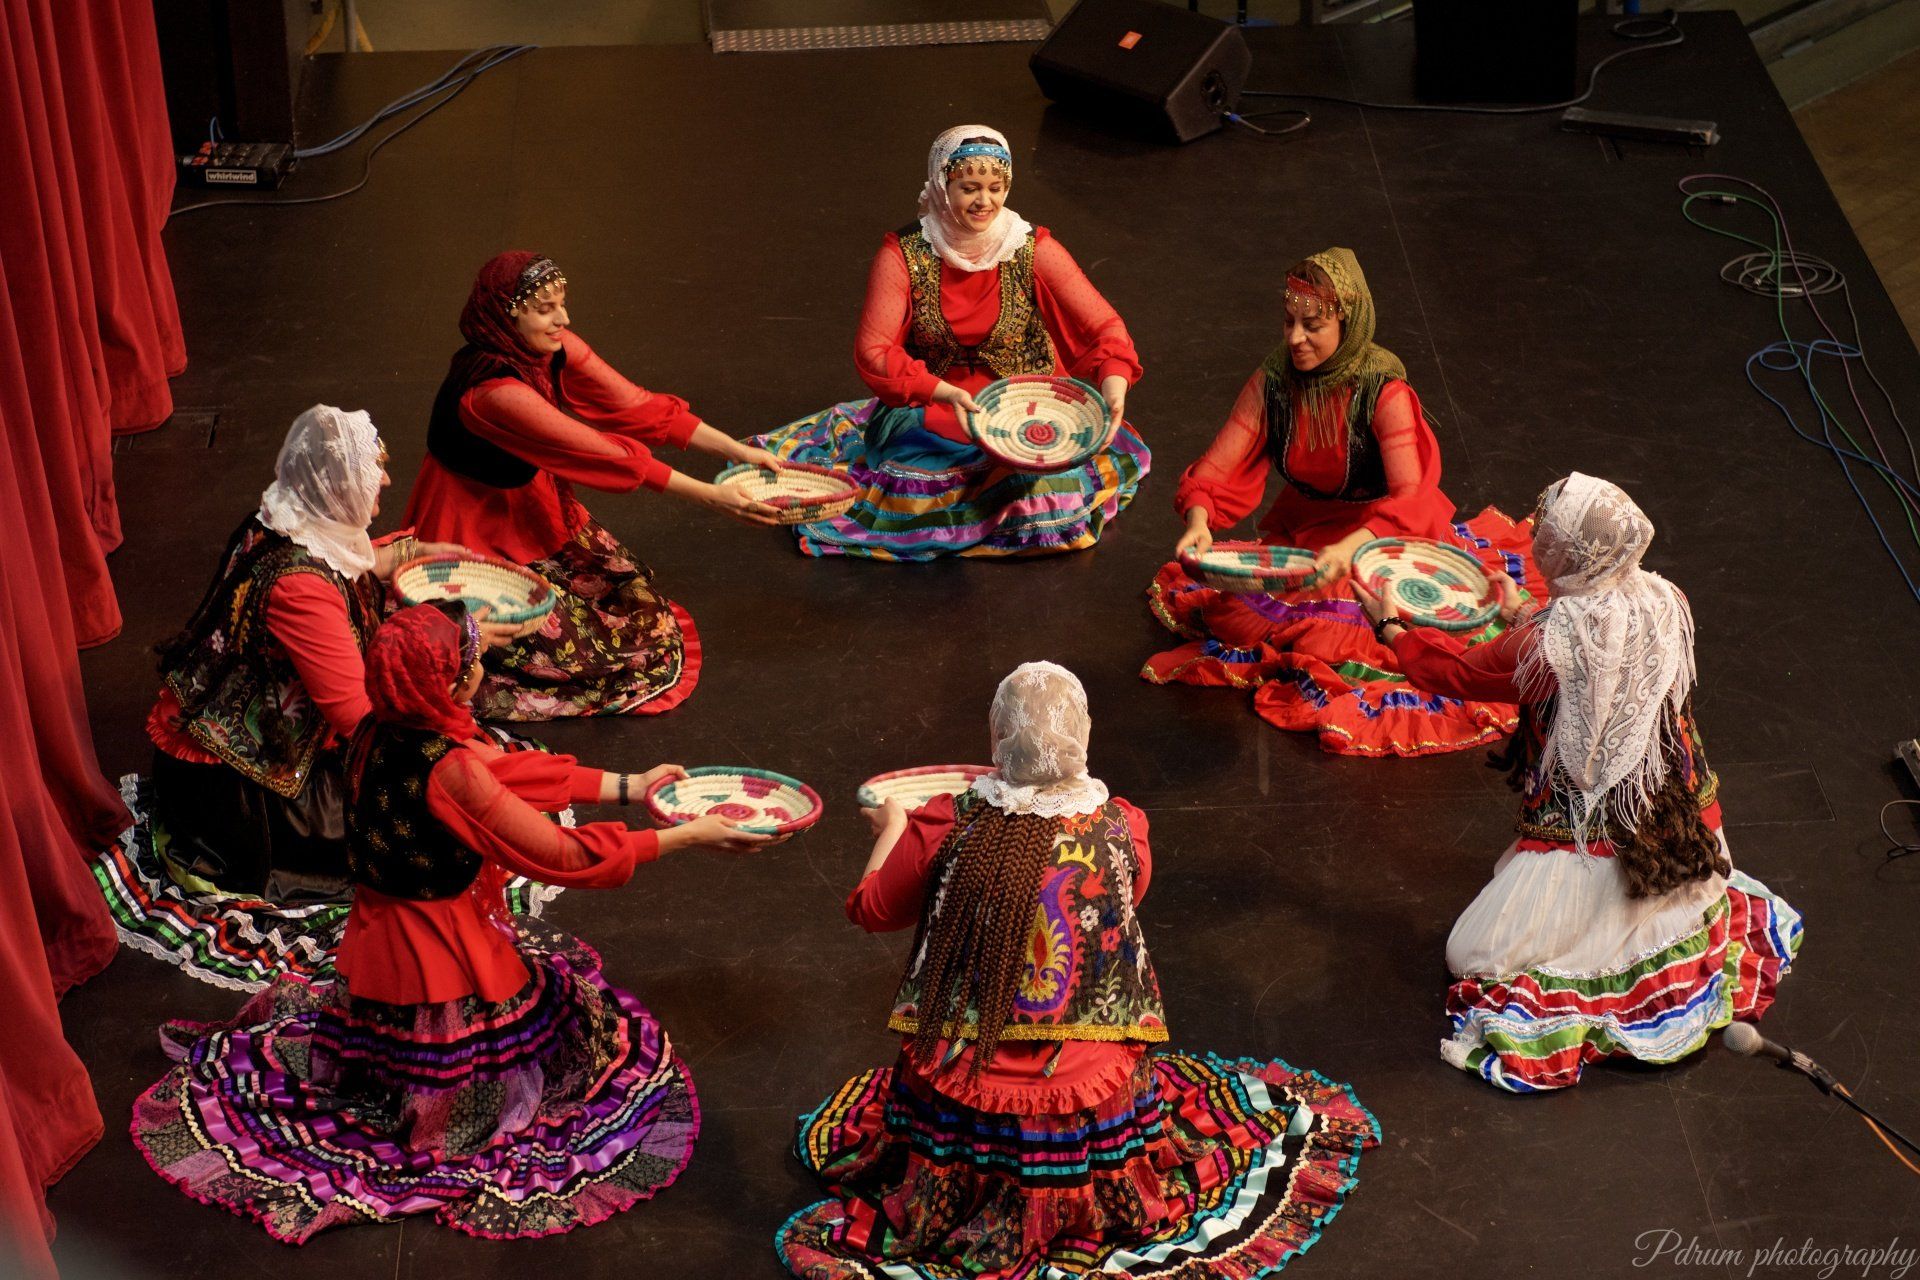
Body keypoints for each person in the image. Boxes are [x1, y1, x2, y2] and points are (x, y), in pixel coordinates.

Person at [131, 603, 775, 1241]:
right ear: (451, 682)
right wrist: (685, 837)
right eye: (471, 665)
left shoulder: (374, 732)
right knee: (501, 1065)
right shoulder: (449, 766)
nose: (478, 674)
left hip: (376, 947)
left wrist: (629, 786)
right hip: (447, 950)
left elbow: (501, 771)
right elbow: (558, 853)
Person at [778, 662, 1378, 1278]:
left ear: (995, 742)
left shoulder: (944, 821)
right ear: (1082, 739)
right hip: (1086, 1082)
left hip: (969, 1078)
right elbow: (1125, 902)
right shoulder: (1124, 825)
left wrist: (893, 829)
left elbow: (870, 909)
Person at [1356, 473, 1802, 1093]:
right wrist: (1522, 609)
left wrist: (1392, 629)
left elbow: (1454, 671)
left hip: (1593, 833)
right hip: (1681, 816)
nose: (1537, 537)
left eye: (1547, 536)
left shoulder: (1545, 643)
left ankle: (1600, 936)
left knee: (1474, 954)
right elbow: (1593, 637)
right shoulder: (1664, 598)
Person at [94, 404, 546, 991]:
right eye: (373, 471)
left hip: (264, 739)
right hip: (247, 789)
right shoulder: (300, 587)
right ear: (334, 487)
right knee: (418, 814)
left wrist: (406, 559)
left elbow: (356, 562)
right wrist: (460, 640)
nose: (386, 480)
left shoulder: (290, 518)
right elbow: (358, 717)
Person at [1141, 247, 1541, 757]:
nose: (1294, 339)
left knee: (1381, 636)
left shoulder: (1382, 388)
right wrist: (1199, 519)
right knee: (1232, 616)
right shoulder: (1274, 379)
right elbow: (1221, 462)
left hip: (1386, 538)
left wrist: (1352, 548)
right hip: (1309, 534)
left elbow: (1412, 496)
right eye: (1288, 322)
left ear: (1347, 324)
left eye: (1311, 327)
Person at [404, 250, 785, 720]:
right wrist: (710, 496)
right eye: (545, 309)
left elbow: (634, 406)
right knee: (562, 651)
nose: (563, 318)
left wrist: (734, 449)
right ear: (509, 314)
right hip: (468, 522)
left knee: (633, 605)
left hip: (526, 498)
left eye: (562, 304)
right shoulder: (493, 393)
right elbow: (605, 454)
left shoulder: (547, 348)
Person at [752, 125, 1151, 560]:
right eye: (969, 188)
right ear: (943, 186)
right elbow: (875, 350)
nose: (985, 202)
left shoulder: (1030, 247)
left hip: (1023, 410)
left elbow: (1103, 325)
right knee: (917, 488)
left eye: (995, 188)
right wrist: (937, 391)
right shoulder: (903, 255)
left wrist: (1113, 383)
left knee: (1040, 495)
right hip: (934, 406)